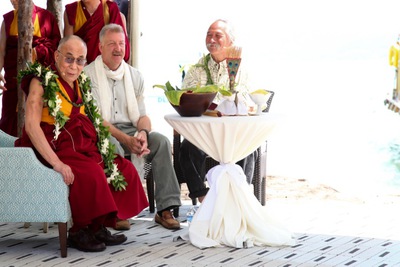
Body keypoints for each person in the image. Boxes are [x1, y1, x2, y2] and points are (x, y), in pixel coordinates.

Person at [15, 35, 148, 252]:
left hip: (80, 144)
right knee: (91, 173)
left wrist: (127, 139)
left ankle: (97, 226)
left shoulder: (80, 83)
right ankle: (79, 231)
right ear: (57, 56)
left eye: (80, 60)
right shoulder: (40, 81)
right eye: (69, 59)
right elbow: (31, 126)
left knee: (121, 167)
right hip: (51, 146)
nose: (74, 66)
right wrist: (57, 163)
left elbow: (95, 119)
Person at [84, 24, 182, 230]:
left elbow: (142, 116)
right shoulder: (88, 75)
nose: (118, 48)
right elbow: (95, 119)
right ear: (100, 47)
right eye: (112, 44)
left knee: (161, 142)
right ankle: (120, 211)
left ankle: (165, 209)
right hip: (102, 132)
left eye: (121, 43)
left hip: (131, 130)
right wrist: (126, 139)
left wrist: (143, 134)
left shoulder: (134, 75)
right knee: (112, 145)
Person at [180, 19, 257, 203]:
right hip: (205, 132)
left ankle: (240, 196)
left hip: (232, 131)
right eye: (209, 34)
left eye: (218, 35)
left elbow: (247, 98)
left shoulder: (240, 68)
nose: (212, 39)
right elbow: (185, 97)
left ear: (230, 41)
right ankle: (202, 196)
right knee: (186, 147)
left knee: (249, 147)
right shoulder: (197, 68)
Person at [0, 0, 61, 137]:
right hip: (13, 83)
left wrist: (38, 51)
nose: (13, 1)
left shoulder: (46, 17)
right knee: (10, 124)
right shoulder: (8, 19)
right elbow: (2, 52)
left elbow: (57, 48)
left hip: (39, 81)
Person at [64, 0, 130, 64]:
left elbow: (122, 47)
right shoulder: (72, 11)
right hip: (82, 66)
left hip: (107, 66)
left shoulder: (109, 9)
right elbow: (69, 47)